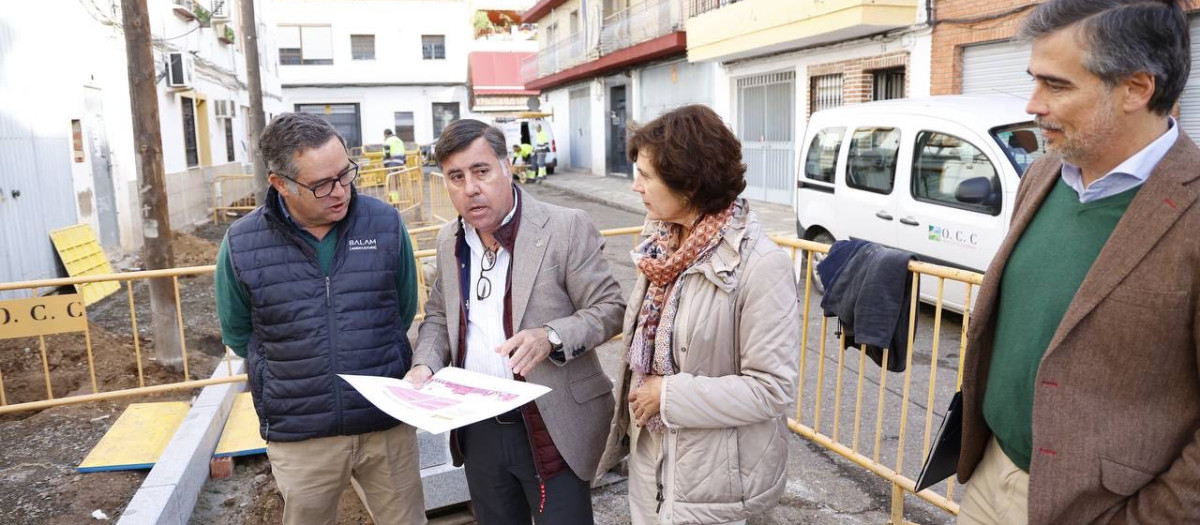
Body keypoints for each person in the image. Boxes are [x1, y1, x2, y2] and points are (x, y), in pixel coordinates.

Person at [956, 1, 1200, 524]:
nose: (1032, 104)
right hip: (986, 475)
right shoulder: (1043, 175)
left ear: (1137, 88)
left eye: (1057, 86)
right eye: (1034, 81)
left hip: (1097, 510)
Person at [403, 119, 625, 524]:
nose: (470, 188)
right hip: (477, 426)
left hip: (549, 422)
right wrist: (424, 365)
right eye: (456, 176)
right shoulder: (448, 241)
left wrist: (551, 336)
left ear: (507, 167)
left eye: (481, 171)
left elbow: (609, 308)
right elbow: (438, 314)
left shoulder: (564, 227)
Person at [215, 113, 424, 525]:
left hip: (386, 428)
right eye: (322, 184)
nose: (340, 191)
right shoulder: (241, 244)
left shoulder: (384, 225)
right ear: (280, 184)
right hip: (301, 437)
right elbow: (240, 334)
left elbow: (401, 310)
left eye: (345, 174)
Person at [598, 105, 801, 525]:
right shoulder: (660, 242)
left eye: (646, 176)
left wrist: (667, 395)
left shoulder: (761, 265)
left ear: (688, 183)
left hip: (710, 481)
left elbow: (772, 390)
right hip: (650, 458)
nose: (635, 186)